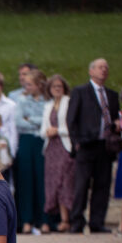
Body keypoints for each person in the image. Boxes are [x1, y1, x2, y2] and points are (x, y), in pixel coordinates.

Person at [66, 58, 119, 233]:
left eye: (106, 67)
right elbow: (71, 119)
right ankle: (77, 221)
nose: (104, 70)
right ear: (91, 71)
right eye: (100, 67)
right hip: (86, 144)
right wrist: (75, 142)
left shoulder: (112, 95)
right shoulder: (80, 92)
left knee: (102, 185)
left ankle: (97, 222)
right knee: (81, 185)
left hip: (105, 145)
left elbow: (114, 119)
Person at [12, 69, 47, 234]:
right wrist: (39, 122)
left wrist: (31, 119)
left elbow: (48, 120)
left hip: (43, 141)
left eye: (30, 84)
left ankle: (44, 220)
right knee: (25, 181)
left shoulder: (48, 101)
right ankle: (26, 220)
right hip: (26, 141)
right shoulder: (22, 100)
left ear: (39, 85)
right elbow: (19, 122)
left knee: (43, 180)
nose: (27, 87)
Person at [41, 74, 75, 233]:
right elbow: (43, 130)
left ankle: (67, 219)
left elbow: (73, 126)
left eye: (59, 86)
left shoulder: (69, 102)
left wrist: (58, 131)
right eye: (54, 87)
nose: (57, 89)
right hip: (51, 148)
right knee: (53, 183)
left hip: (65, 146)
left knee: (65, 182)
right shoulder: (48, 106)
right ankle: (60, 219)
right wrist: (47, 132)